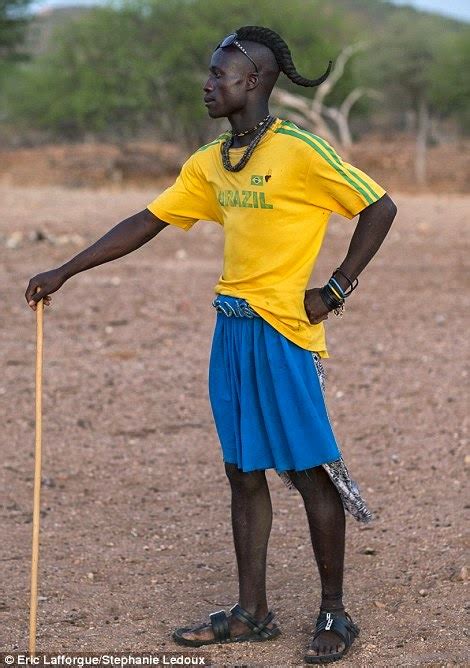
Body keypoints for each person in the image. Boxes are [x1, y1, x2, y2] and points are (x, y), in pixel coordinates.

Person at [25, 26, 397, 664]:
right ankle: (251, 613)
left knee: (308, 469)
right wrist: (65, 269)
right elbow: (147, 220)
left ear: (252, 82)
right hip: (231, 329)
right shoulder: (209, 162)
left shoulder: (301, 152)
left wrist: (334, 290)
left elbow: (379, 207)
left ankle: (334, 611)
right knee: (242, 470)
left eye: (218, 75)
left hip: (284, 330)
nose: (207, 84)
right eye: (209, 73)